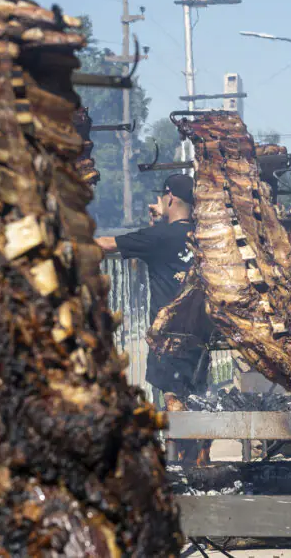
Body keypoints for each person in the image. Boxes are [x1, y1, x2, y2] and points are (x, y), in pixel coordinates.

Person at [96, 174, 201, 412]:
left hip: (167, 342)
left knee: (174, 414)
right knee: (200, 405)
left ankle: (177, 449)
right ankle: (199, 449)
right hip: (200, 340)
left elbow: (105, 244)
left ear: (170, 197)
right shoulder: (203, 235)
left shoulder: (157, 238)